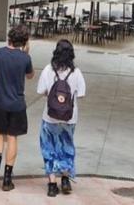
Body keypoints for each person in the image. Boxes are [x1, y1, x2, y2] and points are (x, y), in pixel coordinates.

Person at [0, 25, 34, 191]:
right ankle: (7, 179)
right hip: (17, 105)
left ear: (8, 38)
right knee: (12, 137)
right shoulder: (24, 58)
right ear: (24, 42)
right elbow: (30, 75)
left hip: (0, 103)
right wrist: (26, 53)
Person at [37, 39, 86, 197]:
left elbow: (41, 91)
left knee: (48, 147)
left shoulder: (48, 70)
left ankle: (52, 184)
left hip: (49, 116)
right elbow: (82, 94)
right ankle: (65, 179)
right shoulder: (76, 72)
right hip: (69, 118)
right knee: (66, 146)